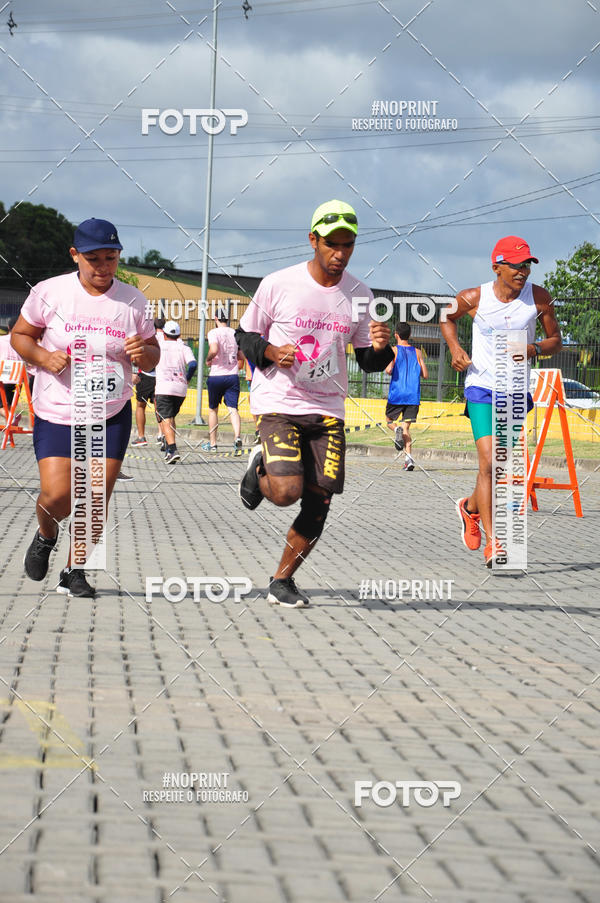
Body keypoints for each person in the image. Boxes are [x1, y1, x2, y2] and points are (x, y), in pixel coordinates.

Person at [235, 199, 393, 608]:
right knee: (286, 491)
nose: (340, 254)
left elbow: (368, 362)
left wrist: (381, 348)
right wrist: (271, 352)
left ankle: (282, 581)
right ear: (313, 240)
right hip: (280, 401)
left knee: (320, 499)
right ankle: (261, 466)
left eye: (349, 245)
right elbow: (245, 337)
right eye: (332, 244)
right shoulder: (278, 283)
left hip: (328, 409)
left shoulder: (359, 292)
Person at [11, 217, 159, 596]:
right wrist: (43, 357)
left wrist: (145, 352)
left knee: (96, 495)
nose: (103, 266)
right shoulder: (50, 292)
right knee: (58, 497)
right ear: (75, 255)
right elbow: (20, 336)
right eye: (94, 258)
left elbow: (153, 353)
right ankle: (46, 535)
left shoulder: (132, 300)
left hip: (110, 413)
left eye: (111, 257)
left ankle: (74, 570)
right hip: (59, 410)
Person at [440, 235, 561, 568]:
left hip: (516, 392)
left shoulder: (539, 298)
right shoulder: (473, 297)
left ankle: (470, 509)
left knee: (496, 465)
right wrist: (455, 349)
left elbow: (556, 342)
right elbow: (446, 318)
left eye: (526, 265)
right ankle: (495, 544)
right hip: (481, 388)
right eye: (515, 265)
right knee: (491, 462)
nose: (522, 271)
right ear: (497, 267)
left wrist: (534, 348)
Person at [385, 322, 428, 470]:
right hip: (412, 396)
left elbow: (389, 370)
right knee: (406, 428)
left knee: (389, 420)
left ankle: (395, 429)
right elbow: (425, 374)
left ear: (396, 334)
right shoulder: (417, 352)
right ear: (409, 335)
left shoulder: (394, 350)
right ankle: (409, 460)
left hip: (397, 394)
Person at [154, 320, 196, 464]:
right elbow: (193, 364)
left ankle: (172, 449)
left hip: (163, 387)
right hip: (180, 388)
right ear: (179, 335)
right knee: (170, 417)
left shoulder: (159, 345)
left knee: (165, 418)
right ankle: (168, 446)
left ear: (164, 334)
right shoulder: (183, 346)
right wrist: (187, 378)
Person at [203, 312, 245, 452]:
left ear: (215, 319)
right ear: (227, 319)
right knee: (233, 409)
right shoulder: (235, 333)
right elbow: (241, 356)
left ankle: (213, 444)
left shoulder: (213, 332)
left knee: (213, 410)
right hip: (232, 375)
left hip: (217, 375)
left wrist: (208, 359)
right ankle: (237, 437)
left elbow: (214, 349)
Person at [131, 317, 165, 448]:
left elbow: (137, 356)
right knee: (160, 408)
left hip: (145, 375)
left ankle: (141, 437)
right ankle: (161, 434)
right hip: (161, 377)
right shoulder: (168, 338)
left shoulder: (148, 338)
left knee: (140, 406)